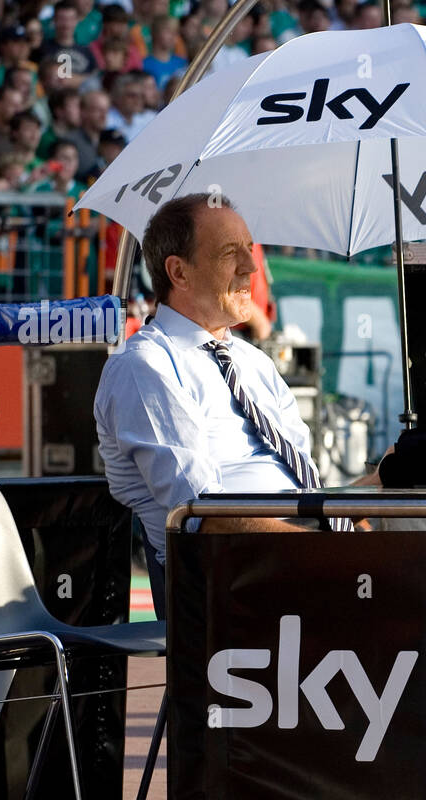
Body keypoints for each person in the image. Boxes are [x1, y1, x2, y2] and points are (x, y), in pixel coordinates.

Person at [94, 193, 378, 616]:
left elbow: (310, 495)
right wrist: (335, 555)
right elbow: (203, 514)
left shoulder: (253, 361)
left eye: (250, 249)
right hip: (230, 585)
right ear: (179, 272)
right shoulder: (146, 365)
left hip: (292, 560)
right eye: (231, 253)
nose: (251, 267)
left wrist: (376, 494)